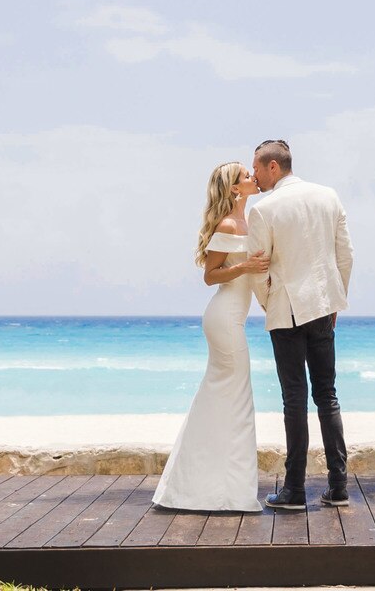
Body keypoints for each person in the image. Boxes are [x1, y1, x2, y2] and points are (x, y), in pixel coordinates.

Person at [151, 162, 270, 512]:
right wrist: (246, 267)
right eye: (245, 177)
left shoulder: (248, 221)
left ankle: (216, 487)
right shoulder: (229, 223)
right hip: (224, 318)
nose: (252, 178)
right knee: (236, 401)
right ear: (235, 189)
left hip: (233, 318)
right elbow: (211, 275)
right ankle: (225, 491)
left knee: (225, 401)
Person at [245, 139, 353, 510]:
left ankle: (294, 491)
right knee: (327, 395)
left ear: (273, 167)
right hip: (324, 307)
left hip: (287, 310)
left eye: (256, 168)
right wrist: (335, 299)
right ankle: (338, 487)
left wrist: (268, 301)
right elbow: (345, 255)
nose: (254, 175)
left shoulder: (264, 209)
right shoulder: (328, 196)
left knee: (295, 399)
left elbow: (259, 269)